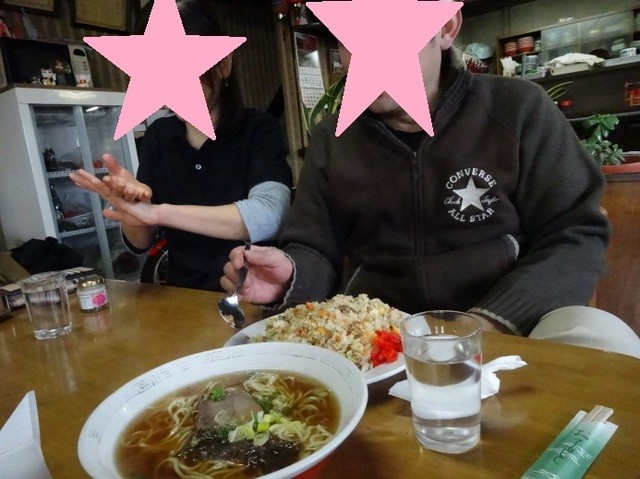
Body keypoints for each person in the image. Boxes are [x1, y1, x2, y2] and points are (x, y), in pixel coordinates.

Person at [222, 9, 640, 358]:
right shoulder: (333, 138)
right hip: (380, 338)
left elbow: (576, 233)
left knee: (606, 339)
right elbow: (315, 246)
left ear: (446, 27)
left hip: (511, 326)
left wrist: (490, 321)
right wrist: (291, 275)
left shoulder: (518, 110)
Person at [71, 0, 292, 292]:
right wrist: (133, 209)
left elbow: (270, 215)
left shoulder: (259, 128)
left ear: (224, 63)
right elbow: (140, 243)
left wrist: (159, 212)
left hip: (249, 295)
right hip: (180, 296)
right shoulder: (159, 136)